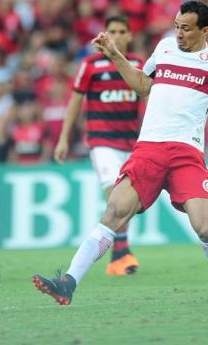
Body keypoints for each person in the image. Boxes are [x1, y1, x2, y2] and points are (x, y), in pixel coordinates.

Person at [32, 1, 208, 305]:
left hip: (187, 153)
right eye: (176, 26)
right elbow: (143, 85)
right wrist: (116, 55)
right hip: (149, 148)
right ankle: (68, 282)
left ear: (204, 30)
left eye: (186, 28)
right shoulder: (165, 48)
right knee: (114, 212)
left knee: (206, 229)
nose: (179, 33)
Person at [53, 16, 144, 275]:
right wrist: (63, 138)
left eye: (121, 31)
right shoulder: (90, 64)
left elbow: (148, 99)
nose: (116, 35)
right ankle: (122, 255)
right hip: (101, 141)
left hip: (131, 143)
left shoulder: (138, 65)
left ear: (129, 36)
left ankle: (119, 256)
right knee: (112, 195)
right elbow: (74, 101)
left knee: (129, 203)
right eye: (111, 31)